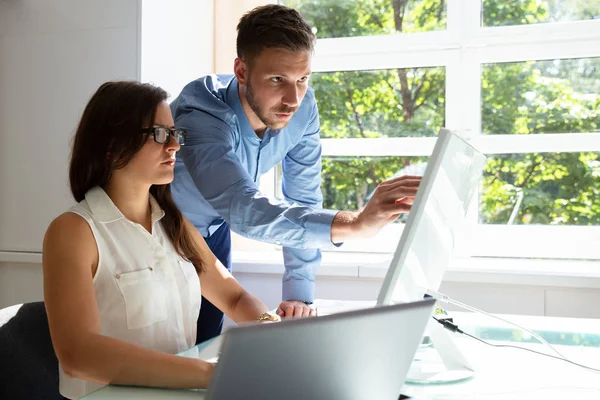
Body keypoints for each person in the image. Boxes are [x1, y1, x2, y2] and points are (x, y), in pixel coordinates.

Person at [170, 4, 421, 344]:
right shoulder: (201, 111)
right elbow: (242, 206)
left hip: (215, 236)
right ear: (241, 71)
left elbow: (302, 196)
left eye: (303, 79)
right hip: (163, 232)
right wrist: (355, 224)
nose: (293, 98)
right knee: (169, 349)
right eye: (277, 79)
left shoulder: (303, 108)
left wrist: (299, 293)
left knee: (204, 345)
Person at [42, 81, 284, 399]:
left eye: (176, 133)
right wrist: (213, 374)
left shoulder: (174, 223)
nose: (174, 146)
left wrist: (272, 329)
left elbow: (234, 298)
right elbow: (78, 354)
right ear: (112, 145)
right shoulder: (74, 232)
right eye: (159, 134)